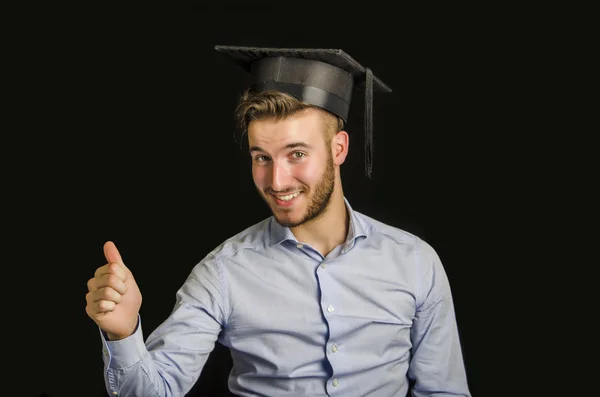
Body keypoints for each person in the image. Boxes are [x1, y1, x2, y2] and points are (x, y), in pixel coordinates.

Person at [86, 45, 471, 397]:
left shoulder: (416, 263)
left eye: (297, 154)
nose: (277, 181)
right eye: (261, 157)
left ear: (339, 149)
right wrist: (123, 333)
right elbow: (156, 390)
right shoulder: (223, 274)